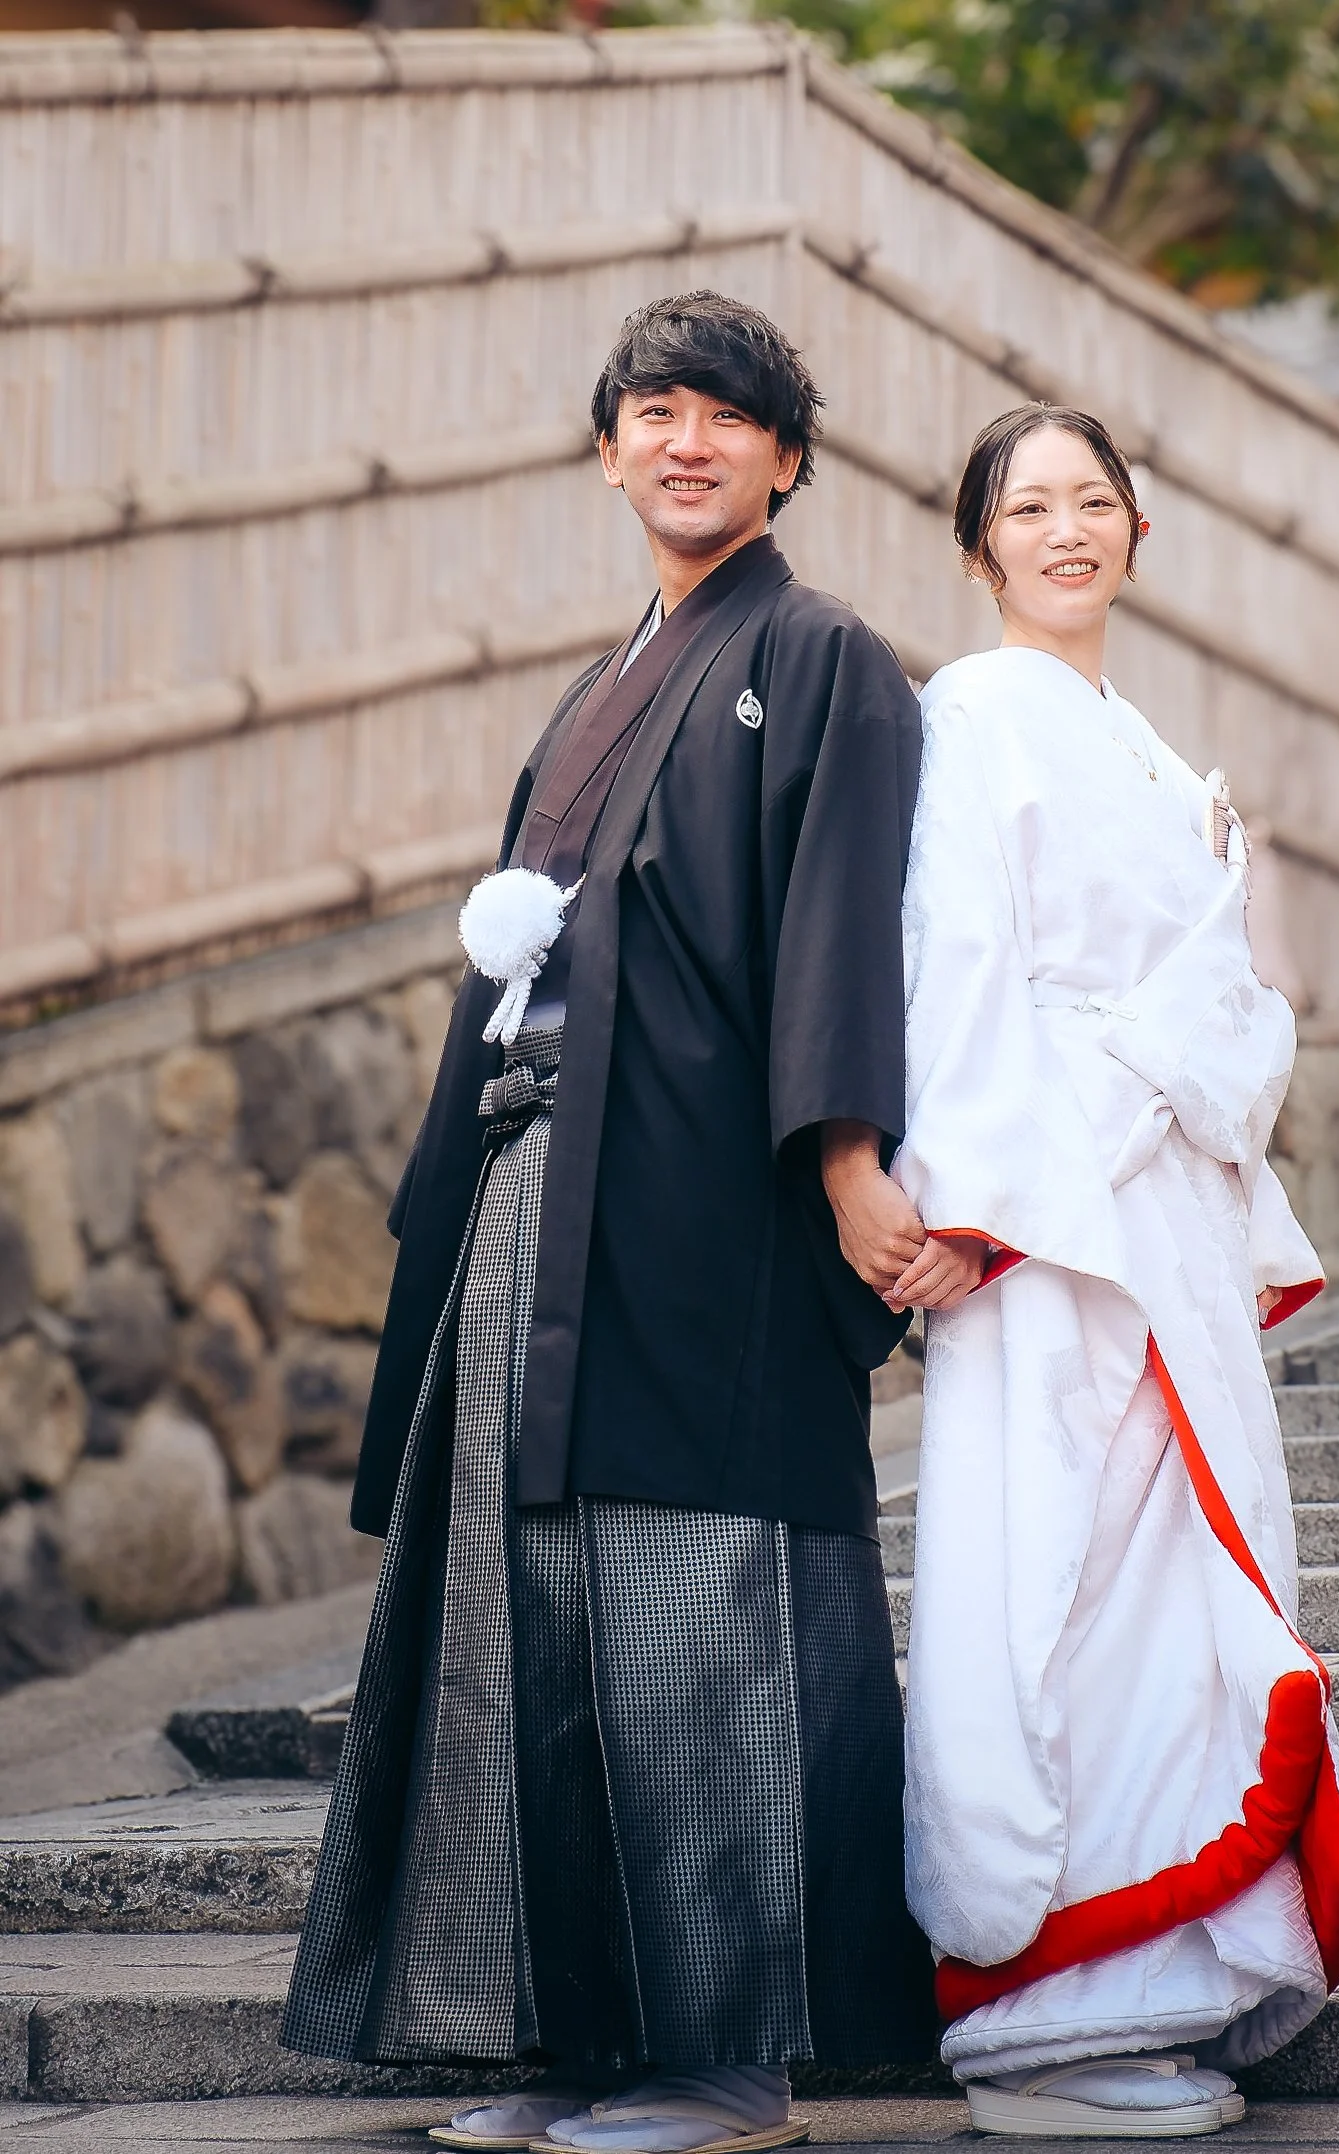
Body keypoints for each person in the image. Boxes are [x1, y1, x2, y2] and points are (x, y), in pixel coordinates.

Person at [282, 292, 938, 2153]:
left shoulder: (821, 659)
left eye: (728, 416)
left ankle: (725, 2066)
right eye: (652, 410)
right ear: (604, 449)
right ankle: (576, 2042)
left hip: (697, 1206)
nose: (686, 440)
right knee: (530, 1616)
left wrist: (846, 1163)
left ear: (787, 459)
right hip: (529, 1195)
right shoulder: (595, 686)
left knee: (689, 1605)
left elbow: (837, 930)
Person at [889, 405, 1339, 2138]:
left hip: (1159, 1188)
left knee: (1178, 1560)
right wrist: (972, 1192)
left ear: (1136, 530)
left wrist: (1200, 1044)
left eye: (1093, 499)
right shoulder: (969, 712)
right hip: (1053, 1201)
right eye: (1028, 506)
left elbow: (1237, 1011)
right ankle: (1046, 1997)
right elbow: (956, 963)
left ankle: (1178, 1963)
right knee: (1058, 1559)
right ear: (979, 546)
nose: (1065, 528)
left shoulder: (1150, 748)